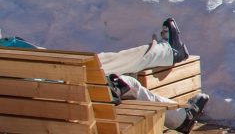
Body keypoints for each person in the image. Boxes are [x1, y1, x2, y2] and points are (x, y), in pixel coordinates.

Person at [1, 19, 210, 133]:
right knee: (113, 72)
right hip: (67, 106)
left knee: (114, 75)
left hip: (31, 111)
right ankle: (168, 54)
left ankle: (180, 116)